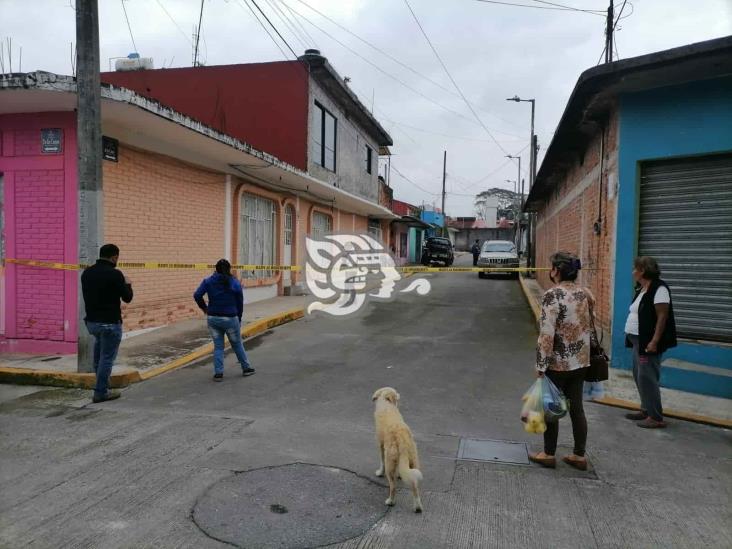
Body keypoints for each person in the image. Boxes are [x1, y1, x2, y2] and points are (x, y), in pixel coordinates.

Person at [529, 251, 593, 471]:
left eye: (552, 267)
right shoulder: (584, 294)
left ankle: (548, 453)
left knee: (552, 408)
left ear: (556, 270)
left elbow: (546, 334)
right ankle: (579, 455)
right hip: (581, 361)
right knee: (577, 409)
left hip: (558, 363)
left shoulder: (552, 295)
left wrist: (540, 365)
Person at [624, 256, 677, 428]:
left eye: (636, 269)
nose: (633, 272)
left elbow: (662, 317)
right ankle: (646, 409)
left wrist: (654, 341)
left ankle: (656, 417)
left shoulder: (659, 288)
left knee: (647, 377)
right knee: (638, 375)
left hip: (648, 342)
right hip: (637, 341)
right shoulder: (642, 288)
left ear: (643, 271)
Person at [81, 243, 134, 403]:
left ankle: (101, 385)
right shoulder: (115, 274)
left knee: (99, 357)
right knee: (106, 359)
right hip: (110, 323)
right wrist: (128, 283)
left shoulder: (87, 273)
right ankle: (101, 392)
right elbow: (127, 297)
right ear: (114, 257)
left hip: (92, 323)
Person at [194, 259, 255, 381]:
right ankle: (246, 368)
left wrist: (205, 309)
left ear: (216, 269)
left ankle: (218, 374)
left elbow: (197, 295)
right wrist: (239, 317)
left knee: (218, 347)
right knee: (237, 344)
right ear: (229, 269)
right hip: (230, 319)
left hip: (213, 318)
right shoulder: (234, 283)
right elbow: (239, 303)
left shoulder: (208, 281)